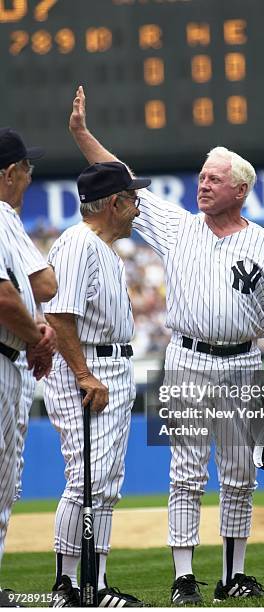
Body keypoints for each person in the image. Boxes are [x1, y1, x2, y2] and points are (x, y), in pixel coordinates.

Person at [70, 85, 264, 605]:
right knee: (186, 472)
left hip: (244, 361)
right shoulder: (177, 227)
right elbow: (120, 175)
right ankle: (183, 578)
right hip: (187, 360)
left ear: (239, 190)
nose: (202, 185)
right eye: (201, 176)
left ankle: (233, 574)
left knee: (241, 474)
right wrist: (84, 135)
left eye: (214, 179)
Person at [42, 161, 151, 607]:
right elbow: (58, 313)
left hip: (111, 368)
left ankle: (97, 583)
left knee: (104, 482)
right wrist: (85, 373)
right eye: (131, 197)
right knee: (86, 480)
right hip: (87, 370)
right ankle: (68, 586)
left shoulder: (102, 247)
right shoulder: (77, 243)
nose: (137, 204)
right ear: (112, 203)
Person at [0, 128, 56, 606]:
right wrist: (36, 337)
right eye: (26, 169)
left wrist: (33, 334)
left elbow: (40, 287)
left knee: (4, 482)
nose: (30, 177)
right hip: (2, 357)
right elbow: (0, 296)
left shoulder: (7, 220)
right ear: (9, 173)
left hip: (10, 356)